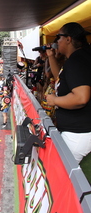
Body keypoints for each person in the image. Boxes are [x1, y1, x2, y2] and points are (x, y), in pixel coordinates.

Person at [46, 22, 91, 163]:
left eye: (58, 37)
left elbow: (81, 98)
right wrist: (51, 56)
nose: (57, 42)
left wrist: (54, 100)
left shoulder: (77, 60)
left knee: (58, 176)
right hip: (78, 130)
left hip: (77, 133)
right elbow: (59, 78)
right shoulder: (79, 58)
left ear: (68, 39)